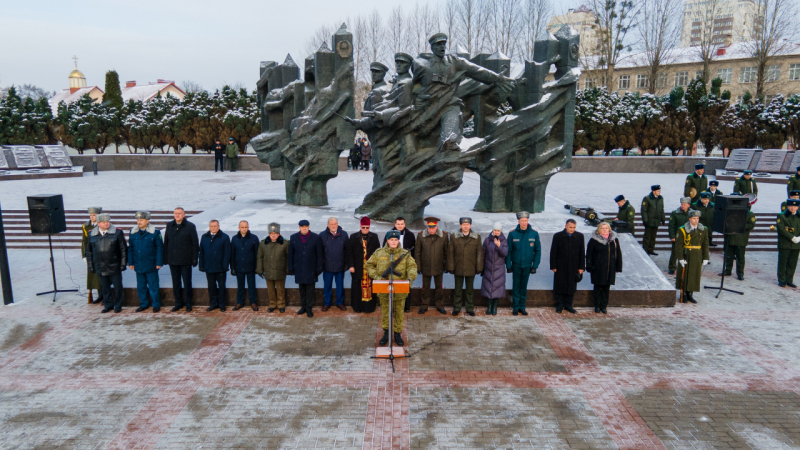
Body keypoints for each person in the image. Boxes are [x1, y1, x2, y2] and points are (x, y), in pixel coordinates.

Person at [366, 230, 418, 347]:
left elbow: (412, 267)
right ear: (387, 240)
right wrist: (377, 277)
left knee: (399, 312)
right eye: (391, 240)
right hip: (384, 288)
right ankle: (386, 333)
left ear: (398, 240)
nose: (393, 242)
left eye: (395, 240)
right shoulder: (379, 253)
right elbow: (368, 265)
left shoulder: (405, 253)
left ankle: (397, 333)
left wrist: (409, 278)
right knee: (385, 312)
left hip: (400, 289)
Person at [86, 214, 127, 313]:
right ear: (98, 224)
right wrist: (90, 265)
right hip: (100, 265)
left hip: (114, 265)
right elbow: (89, 251)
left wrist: (123, 264)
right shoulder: (92, 234)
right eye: (104, 222)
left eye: (107, 221)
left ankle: (118, 305)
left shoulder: (117, 232)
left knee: (118, 287)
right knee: (105, 287)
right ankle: (108, 305)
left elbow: (123, 249)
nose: (106, 223)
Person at [505, 211, 541, 316]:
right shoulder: (512, 234)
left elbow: (538, 250)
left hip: (527, 265)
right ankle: (516, 307)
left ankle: (522, 307)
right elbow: (509, 251)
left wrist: (535, 266)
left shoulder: (534, 234)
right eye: (522, 221)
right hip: (516, 265)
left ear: (528, 221)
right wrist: (508, 265)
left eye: (526, 220)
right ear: (519, 221)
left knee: (523, 287)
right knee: (516, 286)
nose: (524, 223)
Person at [164, 207, 199, 312]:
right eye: (176, 213)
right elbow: (166, 242)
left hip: (185, 260)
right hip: (173, 260)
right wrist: (165, 258)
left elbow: (195, 244)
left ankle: (188, 303)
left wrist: (194, 259)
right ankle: (178, 303)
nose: (177, 215)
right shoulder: (169, 225)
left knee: (187, 282)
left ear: (184, 215)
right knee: (176, 283)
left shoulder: (190, 226)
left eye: (179, 213)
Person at [446, 217, 483, 316]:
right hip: (458, 267)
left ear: (470, 225)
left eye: (467, 224)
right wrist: (451, 267)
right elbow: (450, 253)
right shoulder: (454, 237)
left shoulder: (476, 237)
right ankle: (456, 308)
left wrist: (479, 267)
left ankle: (469, 308)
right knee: (457, 289)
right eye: (464, 224)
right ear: (460, 225)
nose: (465, 226)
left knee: (470, 290)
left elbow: (479, 253)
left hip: (471, 267)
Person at [128, 211, 163, 313]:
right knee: (141, 286)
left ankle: (156, 304)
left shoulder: (155, 232)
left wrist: (159, 262)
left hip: (151, 264)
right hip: (138, 264)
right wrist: (131, 262)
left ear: (147, 221)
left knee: (153, 286)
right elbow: (130, 248)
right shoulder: (133, 232)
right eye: (138, 220)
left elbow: (160, 248)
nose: (139, 222)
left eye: (141, 220)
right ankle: (143, 304)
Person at [288, 219, 323, 317]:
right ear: (299, 227)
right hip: (299, 268)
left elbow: (319, 254)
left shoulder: (316, 237)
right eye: (302, 227)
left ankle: (309, 308)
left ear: (308, 227)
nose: (304, 228)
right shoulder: (294, 237)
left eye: (306, 226)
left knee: (310, 290)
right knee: (302, 289)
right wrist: (290, 267)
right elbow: (291, 254)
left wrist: (319, 268)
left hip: (311, 268)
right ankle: (303, 307)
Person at [346, 217, 381, 313]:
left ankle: (369, 307)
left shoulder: (374, 236)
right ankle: (357, 307)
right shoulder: (353, 237)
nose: (365, 229)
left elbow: (378, 252)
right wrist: (351, 266)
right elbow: (349, 253)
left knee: (370, 287)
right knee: (357, 288)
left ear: (369, 227)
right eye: (363, 227)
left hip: (370, 267)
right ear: (360, 226)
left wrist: (376, 265)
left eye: (367, 227)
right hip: (358, 267)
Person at [585, 222, 622, 314]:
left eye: (606, 228)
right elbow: (589, 254)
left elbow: (618, 254)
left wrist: (618, 267)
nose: (605, 230)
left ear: (609, 229)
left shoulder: (614, 240)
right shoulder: (594, 240)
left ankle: (604, 306)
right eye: (602, 228)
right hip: (597, 268)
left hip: (610, 268)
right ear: (599, 230)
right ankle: (597, 306)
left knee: (606, 288)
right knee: (597, 287)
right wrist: (589, 266)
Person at [550, 219, 585, 314]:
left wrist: (581, 267)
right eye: (570, 227)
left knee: (571, 286)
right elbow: (553, 252)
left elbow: (582, 253)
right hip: (560, 266)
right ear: (566, 226)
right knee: (560, 285)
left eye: (574, 227)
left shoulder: (579, 236)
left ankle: (569, 305)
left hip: (574, 266)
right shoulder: (558, 236)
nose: (572, 229)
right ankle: (559, 305)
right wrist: (553, 266)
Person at [415, 217, 449, 314]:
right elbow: (417, 253)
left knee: (439, 288)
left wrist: (446, 266)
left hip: (439, 266)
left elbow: (447, 252)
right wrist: (418, 266)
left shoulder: (444, 236)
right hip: (426, 266)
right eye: (429, 227)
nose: (431, 230)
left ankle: (440, 305)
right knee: (425, 288)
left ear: (437, 226)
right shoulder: (421, 236)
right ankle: (424, 305)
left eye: (433, 227)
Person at [675, 210, 710, 303]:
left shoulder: (703, 229)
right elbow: (678, 245)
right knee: (685, 275)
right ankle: (684, 294)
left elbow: (705, 244)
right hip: (687, 254)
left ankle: (690, 294)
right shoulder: (682, 229)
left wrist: (706, 257)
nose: (696, 220)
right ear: (689, 219)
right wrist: (680, 258)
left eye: (697, 218)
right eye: (694, 218)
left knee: (694, 274)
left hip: (697, 254)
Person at [382, 216, 416, 312]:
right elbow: (384, 248)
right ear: (395, 224)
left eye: (402, 224)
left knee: (405, 285)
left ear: (404, 224)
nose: (400, 226)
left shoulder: (410, 235)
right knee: (392, 285)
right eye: (398, 224)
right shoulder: (389, 234)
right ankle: (392, 306)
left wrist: (412, 262)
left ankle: (406, 307)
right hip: (392, 262)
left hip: (405, 263)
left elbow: (414, 251)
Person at [720, 193, 755, 281]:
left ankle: (740, 273)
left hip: (741, 238)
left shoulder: (749, 213)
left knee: (740, 257)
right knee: (728, 255)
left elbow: (751, 225)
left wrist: (739, 226)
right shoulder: (729, 211)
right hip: (730, 237)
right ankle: (727, 270)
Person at [256, 223, 289, 312]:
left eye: (275, 233)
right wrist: (259, 269)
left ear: (279, 234)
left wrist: (288, 269)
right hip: (268, 270)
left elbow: (288, 257)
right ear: (269, 234)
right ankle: (272, 304)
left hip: (280, 270)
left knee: (280, 289)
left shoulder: (285, 243)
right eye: (271, 233)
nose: (273, 235)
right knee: (270, 289)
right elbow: (260, 257)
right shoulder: (263, 243)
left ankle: (281, 305)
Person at [199, 220, 231, 312]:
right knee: (211, 287)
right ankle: (213, 303)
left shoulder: (224, 237)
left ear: (218, 226)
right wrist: (201, 265)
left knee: (221, 287)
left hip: (220, 268)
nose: (213, 228)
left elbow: (227, 253)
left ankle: (222, 304)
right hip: (209, 267)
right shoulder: (204, 237)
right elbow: (201, 252)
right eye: (211, 226)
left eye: (215, 226)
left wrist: (225, 265)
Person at [320, 217, 349, 311]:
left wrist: (346, 264)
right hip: (327, 266)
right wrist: (321, 264)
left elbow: (347, 250)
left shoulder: (344, 234)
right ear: (328, 225)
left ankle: (340, 302)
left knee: (340, 286)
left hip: (340, 266)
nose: (333, 226)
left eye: (335, 224)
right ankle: (327, 303)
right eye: (331, 224)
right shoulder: (322, 235)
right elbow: (320, 252)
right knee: (327, 286)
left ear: (337, 224)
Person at [230, 220, 260, 311]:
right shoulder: (235, 238)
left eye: (245, 227)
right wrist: (232, 267)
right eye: (242, 227)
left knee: (252, 285)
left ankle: (253, 302)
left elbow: (257, 254)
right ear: (239, 228)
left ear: (248, 227)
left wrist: (257, 267)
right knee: (240, 285)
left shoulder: (254, 238)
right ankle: (240, 302)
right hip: (239, 266)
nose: (244, 229)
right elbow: (232, 254)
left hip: (250, 266)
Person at [481, 222, 508, 316]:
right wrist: (482, 267)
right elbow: (483, 254)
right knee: (489, 287)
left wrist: (499, 246)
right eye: (495, 230)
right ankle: (489, 306)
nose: (496, 232)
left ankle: (494, 306)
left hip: (499, 269)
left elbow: (505, 253)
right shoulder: (487, 240)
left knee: (497, 288)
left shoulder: (504, 241)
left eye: (498, 230)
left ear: (500, 231)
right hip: (488, 267)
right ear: (493, 230)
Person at [81, 206, 103, 304]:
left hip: (102, 253)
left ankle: (105, 295)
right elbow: (84, 242)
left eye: (94, 215)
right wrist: (84, 255)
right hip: (92, 254)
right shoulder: (86, 226)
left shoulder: (103, 224)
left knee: (102, 275)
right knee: (94, 276)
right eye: (91, 215)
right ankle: (99, 295)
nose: (92, 217)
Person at [776, 199, 800, 288]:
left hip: (796, 244)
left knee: (792, 263)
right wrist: (792, 237)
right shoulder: (781, 216)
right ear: (787, 206)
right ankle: (782, 280)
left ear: (797, 207)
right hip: (785, 243)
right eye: (790, 206)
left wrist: (799, 238)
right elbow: (781, 229)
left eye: (794, 206)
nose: (792, 208)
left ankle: (789, 280)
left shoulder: (799, 216)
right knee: (783, 262)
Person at [668, 198, 694, 275]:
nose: (682, 206)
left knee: (688, 253)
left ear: (688, 205)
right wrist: (672, 236)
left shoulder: (692, 213)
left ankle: (686, 267)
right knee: (675, 253)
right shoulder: (675, 213)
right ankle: (672, 268)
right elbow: (671, 226)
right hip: (678, 236)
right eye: (682, 204)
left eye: (684, 204)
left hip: (688, 236)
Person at [640, 185, 664, 256]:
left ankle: (651, 250)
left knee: (653, 236)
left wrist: (663, 218)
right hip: (649, 220)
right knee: (647, 236)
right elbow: (644, 210)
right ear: (653, 191)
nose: (659, 192)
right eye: (658, 191)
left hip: (656, 220)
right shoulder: (647, 198)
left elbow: (661, 209)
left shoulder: (660, 198)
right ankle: (645, 250)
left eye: (659, 191)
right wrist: (645, 220)